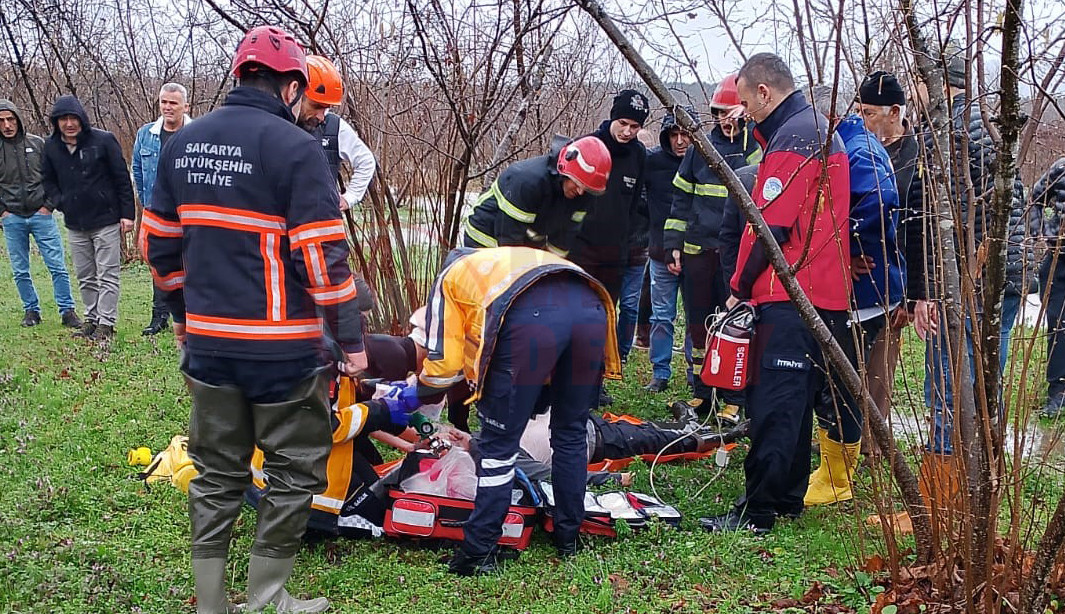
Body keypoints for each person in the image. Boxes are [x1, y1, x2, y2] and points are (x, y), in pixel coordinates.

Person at [141, 25, 396, 614]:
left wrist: (182, 315)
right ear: (290, 87)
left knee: (215, 475)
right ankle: (266, 598)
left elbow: (159, 247)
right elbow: (323, 256)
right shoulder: (297, 149)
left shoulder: (183, 143)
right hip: (282, 351)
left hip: (209, 346)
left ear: (239, 75)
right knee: (290, 472)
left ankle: (210, 604)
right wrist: (352, 342)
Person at [384, 246, 621, 575]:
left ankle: (478, 552)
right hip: (592, 306)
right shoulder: (503, 262)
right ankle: (569, 537)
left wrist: (411, 396)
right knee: (570, 433)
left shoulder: (451, 279)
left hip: (531, 319)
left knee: (498, 448)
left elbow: (444, 364)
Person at [699, 53, 851, 534]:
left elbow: (769, 227)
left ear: (764, 92)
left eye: (746, 102)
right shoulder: (817, 128)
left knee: (773, 402)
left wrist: (738, 288)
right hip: (822, 293)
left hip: (789, 291)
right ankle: (787, 496)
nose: (745, 114)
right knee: (798, 399)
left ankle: (757, 509)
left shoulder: (793, 138)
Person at [803, 85, 902, 506]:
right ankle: (833, 467)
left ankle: (838, 479)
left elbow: (881, 201)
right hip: (857, 290)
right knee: (837, 378)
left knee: (841, 381)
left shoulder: (856, 147)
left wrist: (848, 247)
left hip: (863, 292)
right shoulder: (848, 141)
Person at [664, 75, 762, 424]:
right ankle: (702, 390)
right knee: (698, 324)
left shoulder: (754, 148)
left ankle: (735, 397)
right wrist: (674, 245)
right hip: (697, 252)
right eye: (719, 112)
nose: (725, 119)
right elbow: (680, 199)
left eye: (730, 111)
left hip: (734, 255)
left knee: (736, 325)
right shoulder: (699, 148)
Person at [853, 70, 922, 457]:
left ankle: (872, 445)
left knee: (880, 367)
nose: (862, 120)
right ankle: (842, 434)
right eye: (859, 111)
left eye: (869, 112)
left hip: (895, 279)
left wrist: (910, 296)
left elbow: (920, 230)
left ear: (894, 112)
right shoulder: (854, 148)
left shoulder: (917, 155)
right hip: (856, 273)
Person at [41, 95, 135, 344]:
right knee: (85, 274)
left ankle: (106, 323)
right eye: (63, 119)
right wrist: (61, 202)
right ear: (56, 122)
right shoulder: (50, 147)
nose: (69, 123)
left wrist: (128, 215)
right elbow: (47, 181)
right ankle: (90, 319)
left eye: (73, 118)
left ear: (82, 118)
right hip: (75, 222)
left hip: (106, 218)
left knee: (108, 273)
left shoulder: (103, 140)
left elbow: (121, 179)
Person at [0, 99, 80, 329]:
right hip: (12, 217)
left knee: (57, 266)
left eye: (11, 119)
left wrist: (49, 205)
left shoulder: (37, 144)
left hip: (41, 214)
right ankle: (31, 310)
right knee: (20, 269)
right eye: (2, 121)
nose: (7, 125)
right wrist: (3, 212)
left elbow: (58, 177)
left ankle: (67, 311)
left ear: (18, 119)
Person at [462, 136, 611, 256]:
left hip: (525, 245)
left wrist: (553, 269)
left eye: (586, 189)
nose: (580, 192)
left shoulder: (584, 194)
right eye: (577, 184)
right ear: (564, 171)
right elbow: (509, 238)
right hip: (485, 239)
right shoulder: (528, 181)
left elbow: (564, 237)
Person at [570, 89, 649, 302]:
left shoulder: (639, 154)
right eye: (623, 123)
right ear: (613, 117)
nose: (627, 131)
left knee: (605, 311)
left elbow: (633, 205)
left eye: (634, 127)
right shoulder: (587, 145)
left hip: (615, 254)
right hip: (580, 249)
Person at [132, 83, 193, 336]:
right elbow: (137, 168)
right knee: (159, 263)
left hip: (188, 213)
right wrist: (147, 202)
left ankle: (190, 317)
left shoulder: (197, 133)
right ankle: (159, 317)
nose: (167, 107)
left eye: (173, 103)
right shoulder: (146, 134)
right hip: (156, 213)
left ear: (185, 107)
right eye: (164, 102)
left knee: (191, 264)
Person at [642, 109, 695, 392]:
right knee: (661, 316)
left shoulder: (702, 163)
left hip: (695, 253)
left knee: (695, 316)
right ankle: (660, 373)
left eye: (685, 134)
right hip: (660, 253)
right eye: (673, 135)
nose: (680, 141)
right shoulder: (652, 162)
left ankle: (693, 371)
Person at [296, 55, 377, 211]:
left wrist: (350, 197)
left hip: (320, 224)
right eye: (316, 106)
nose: (321, 116)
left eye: (326, 108)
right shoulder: (276, 124)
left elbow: (366, 161)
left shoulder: (334, 127)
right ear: (296, 93)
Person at [1034, 157, 1065, 418]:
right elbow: (1034, 200)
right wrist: (1042, 233)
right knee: (1058, 325)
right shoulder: (1061, 167)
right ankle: (1058, 393)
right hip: (1059, 261)